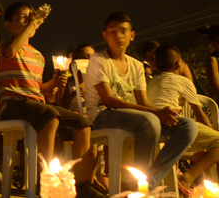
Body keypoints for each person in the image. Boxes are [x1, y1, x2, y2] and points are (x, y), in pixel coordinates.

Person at [0, 2, 103, 198]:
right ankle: (45, 181)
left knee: (83, 124)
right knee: (49, 114)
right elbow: (10, 52)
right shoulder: (7, 45)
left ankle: (83, 185)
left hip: (35, 104)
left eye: (31, 18)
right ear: (8, 26)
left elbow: (38, 88)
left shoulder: (38, 55)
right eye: (23, 18)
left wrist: (53, 82)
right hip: (13, 103)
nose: (29, 21)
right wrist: (32, 23)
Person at [84, 12, 197, 189]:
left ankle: (147, 182)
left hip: (132, 116)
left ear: (132, 35)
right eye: (113, 32)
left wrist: (163, 112)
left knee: (187, 126)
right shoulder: (98, 60)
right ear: (104, 35)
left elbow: (143, 102)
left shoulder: (136, 65)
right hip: (102, 115)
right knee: (149, 121)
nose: (118, 36)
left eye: (123, 31)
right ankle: (138, 185)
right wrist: (154, 112)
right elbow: (108, 100)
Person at [149, 44, 219, 198]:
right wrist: (212, 133)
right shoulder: (183, 81)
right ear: (178, 64)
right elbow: (199, 114)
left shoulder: (152, 81)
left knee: (218, 141)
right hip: (175, 127)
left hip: (154, 127)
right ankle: (187, 178)